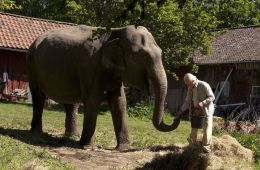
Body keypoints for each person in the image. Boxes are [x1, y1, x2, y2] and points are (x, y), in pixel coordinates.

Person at [176, 73, 215, 153]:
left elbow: (212, 97)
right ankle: (192, 145)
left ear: (194, 81)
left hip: (206, 110)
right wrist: (181, 110)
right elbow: (187, 101)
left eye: (189, 84)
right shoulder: (190, 88)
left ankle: (206, 148)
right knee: (194, 128)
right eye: (187, 85)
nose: (189, 86)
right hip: (196, 110)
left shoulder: (204, 85)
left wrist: (203, 103)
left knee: (207, 128)